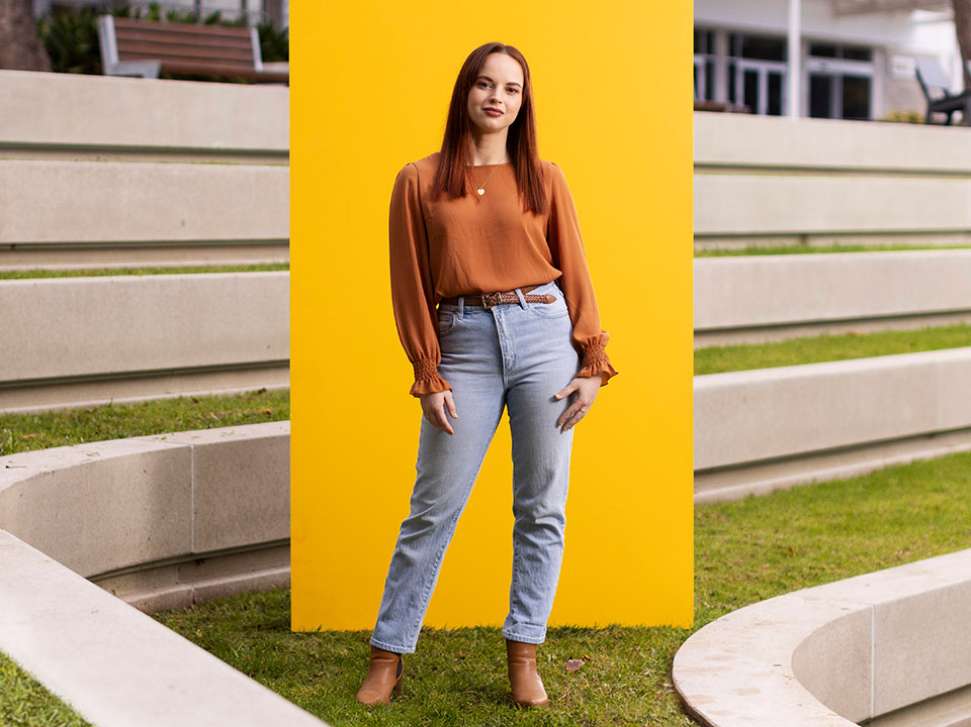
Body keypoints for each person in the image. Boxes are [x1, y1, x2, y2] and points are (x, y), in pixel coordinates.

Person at [356, 41, 618, 709]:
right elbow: (408, 283)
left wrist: (591, 358)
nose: (496, 97)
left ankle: (523, 652)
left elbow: (575, 269)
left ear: (522, 103)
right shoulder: (418, 179)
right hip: (463, 340)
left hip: (542, 334)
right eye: (484, 84)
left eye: (510, 88)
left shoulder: (545, 178)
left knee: (541, 507)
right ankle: (388, 653)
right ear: (464, 92)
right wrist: (429, 370)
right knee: (432, 507)